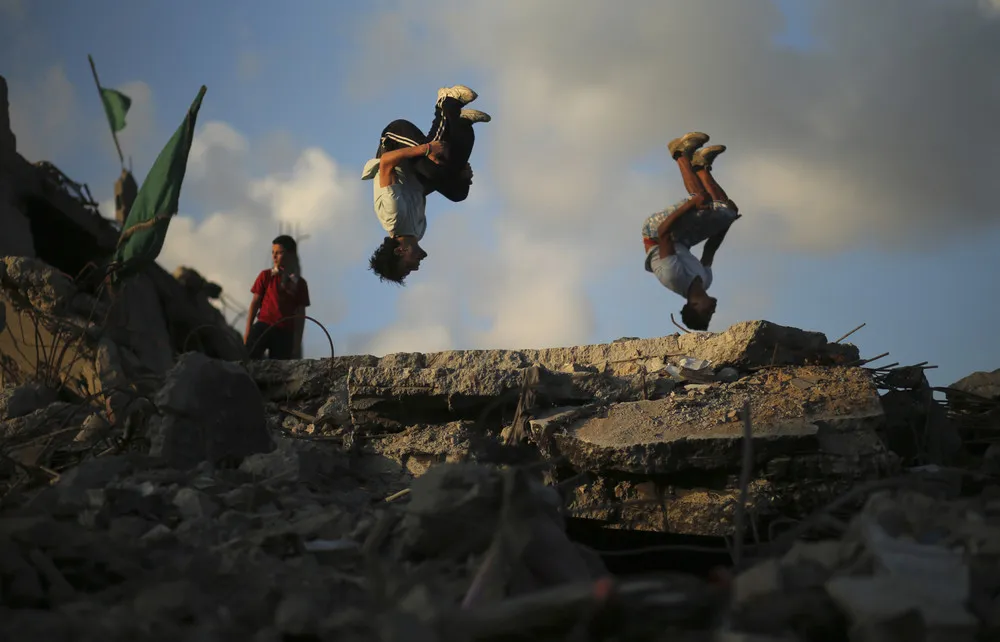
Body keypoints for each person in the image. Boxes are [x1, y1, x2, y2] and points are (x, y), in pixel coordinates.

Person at [361, 85, 490, 284]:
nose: (415, 267)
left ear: (400, 251)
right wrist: (458, 176)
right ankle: (461, 124)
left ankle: (446, 102)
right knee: (458, 192)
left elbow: (387, 163)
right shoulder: (418, 231)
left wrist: (427, 148)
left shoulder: (392, 216)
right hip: (414, 169)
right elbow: (421, 189)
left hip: (394, 143)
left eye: (407, 268)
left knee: (433, 167)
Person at [641, 131, 742, 331]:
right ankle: (701, 167)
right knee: (728, 212)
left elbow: (663, 233)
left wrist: (691, 205)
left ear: (693, 305)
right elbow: (710, 249)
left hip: (655, 233)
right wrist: (726, 224)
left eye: (706, 312)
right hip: (679, 240)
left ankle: (679, 153)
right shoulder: (705, 281)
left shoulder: (675, 277)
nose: (712, 310)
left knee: (701, 200)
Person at [243, 235, 310, 359]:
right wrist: (247, 332)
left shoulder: (300, 284)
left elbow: (301, 316)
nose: (274, 256)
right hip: (263, 326)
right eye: (273, 252)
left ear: (290, 254)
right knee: (248, 358)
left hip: (285, 332)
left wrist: (297, 342)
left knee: (280, 370)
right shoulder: (266, 276)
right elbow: (255, 303)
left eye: (279, 253)